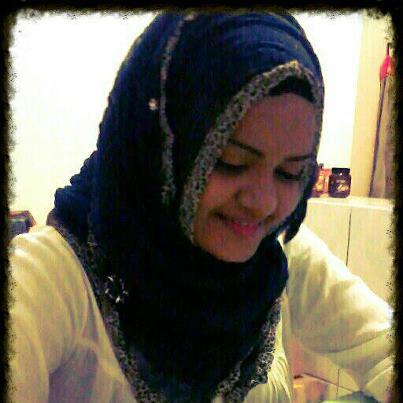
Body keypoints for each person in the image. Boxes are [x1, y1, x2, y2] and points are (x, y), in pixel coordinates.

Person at [9, 11, 393, 402]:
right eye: (231, 162)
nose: (263, 203)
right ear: (162, 149)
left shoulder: (275, 254)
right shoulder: (52, 279)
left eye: (290, 173)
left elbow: (385, 347)